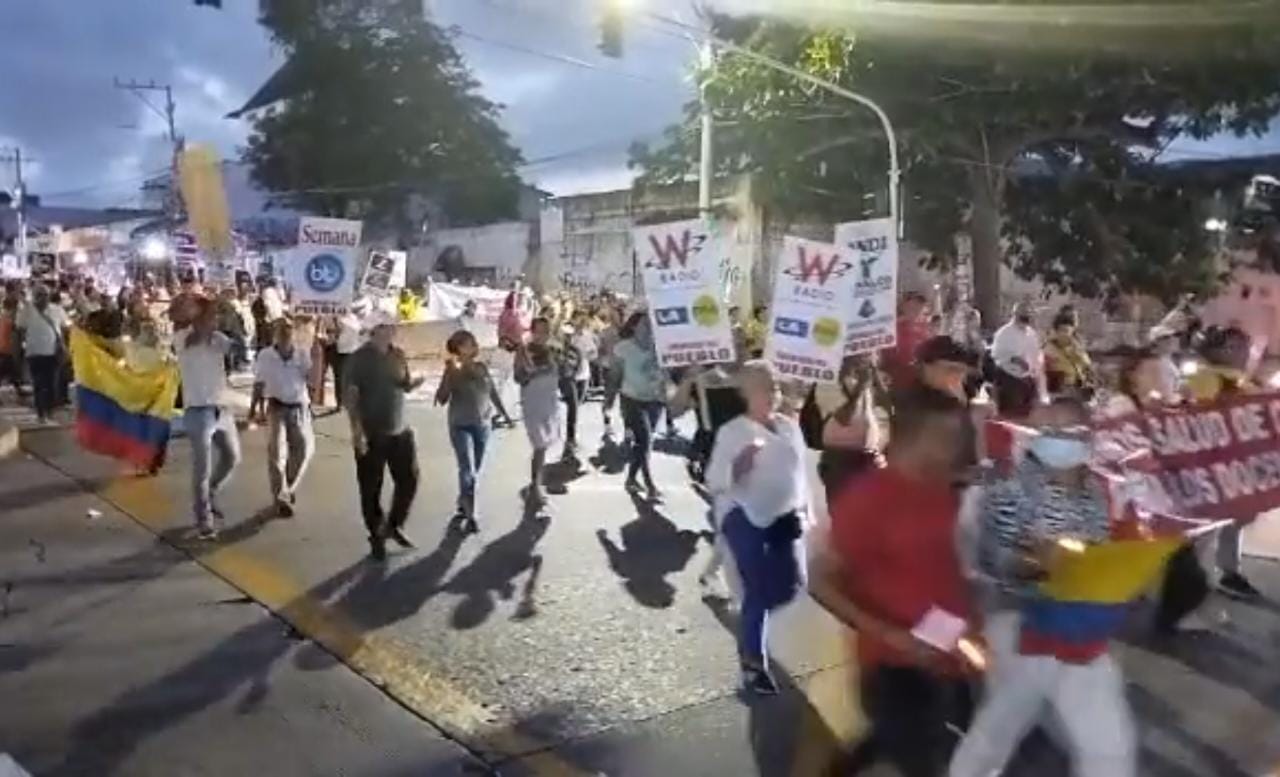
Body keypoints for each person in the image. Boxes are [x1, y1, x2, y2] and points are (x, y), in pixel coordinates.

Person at [950, 397, 1135, 777]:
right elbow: (988, 559)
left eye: (1068, 431)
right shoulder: (1007, 489)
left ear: (1088, 438)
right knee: (1004, 725)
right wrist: (1036, 563)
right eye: (1048, 431)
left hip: (1076, 624)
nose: (1058, 440)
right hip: (1020, 625)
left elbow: (1097, 550)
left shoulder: (1095, 493)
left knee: (1103, 741)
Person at [811, 387, 979, 777]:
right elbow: (819, 582)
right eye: (947, 438)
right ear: (913, 438)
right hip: (894, 668)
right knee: (924, 760)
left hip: (949, 654)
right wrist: (889, 634)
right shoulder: (868, 499)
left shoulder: (941, 486)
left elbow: (943, 560)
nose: (956, 449)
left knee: (935, 741)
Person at [705, 360, 810, 695]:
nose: (772, 394)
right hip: (742, 515)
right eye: (764, 388)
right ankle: (753, 663)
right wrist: (737, 467)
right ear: (746, 392)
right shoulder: (733, 432)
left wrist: (805, 510)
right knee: (758, 588)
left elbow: (800, 474)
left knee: (793, 586)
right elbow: (713, 479)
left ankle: (752, 618)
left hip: (783, 515)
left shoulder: (789, 427)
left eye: (775, 387)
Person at [1183, 325, 1262, 599]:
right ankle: (1187, 577)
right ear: (1215, 350)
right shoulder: (1206, 377)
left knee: (1235, 520)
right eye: (1233, 347)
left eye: (1244, 347)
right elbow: (1197, 417)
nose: (1241, 353)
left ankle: (1228, 572)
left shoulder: (1245, 381)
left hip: (1240, 463)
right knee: (1205, 525)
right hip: (1212, 463)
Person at [344, 316, 425, 560]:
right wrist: (357, 433)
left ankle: (394, 524)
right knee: (371, 487)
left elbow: (403, 384)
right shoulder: (359, 359)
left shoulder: (397, 355)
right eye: (388, 327)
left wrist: (413, 384)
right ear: (375, 330)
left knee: (409, 478)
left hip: (400, 429)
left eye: (393, 327)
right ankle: (376, 533)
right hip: (372, 431)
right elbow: (350, 397)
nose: (393, 331)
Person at [175, 297, 242, 540]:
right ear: (199, 318)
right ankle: (204, 519)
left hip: (221, 407)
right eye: (211, 316)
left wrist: (230, 324)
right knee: (201, 467)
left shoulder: (217, 339)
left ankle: (212, 492)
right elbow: (197, 336)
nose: (215, 321)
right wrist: (207, 316)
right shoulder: (183, 337)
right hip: (198, 410)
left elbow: (235, 347)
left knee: (232, 457)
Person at [435, 328, 508, 533]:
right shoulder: (453, 370)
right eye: (468, 344)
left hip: (483, 424)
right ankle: (471, 511)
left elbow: (492, 392)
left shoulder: (481, 367)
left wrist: (505, 414)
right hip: (460, 425)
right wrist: (449, 376)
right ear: (458, 349)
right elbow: (441, 399)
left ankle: (464, 499)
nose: (473, 346)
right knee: (467, 469)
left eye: (473, 342)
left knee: (475, 469)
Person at [251, 318, 315, 518]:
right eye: (282, 330)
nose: (286, 334)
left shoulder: (302, 355)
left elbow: (310, 380)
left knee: (303, 450)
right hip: (276, 406)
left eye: (289, 330)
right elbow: (259, 383)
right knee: (276, 453)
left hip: (298, 405)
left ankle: (288, 487)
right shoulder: (265, 356)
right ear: (275, 334)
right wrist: (255, 409)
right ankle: (280, 497)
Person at [613, 311, 668, 499]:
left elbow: (667, 371)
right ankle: (650, 485)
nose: (649, 327)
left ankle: (630, 479)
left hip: (654, 399)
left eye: (652, 324)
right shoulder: (623, 348)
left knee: (643, 443)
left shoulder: (659, 347)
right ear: (634, 326)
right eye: (645, 324)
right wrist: (609, 400)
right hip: (631, 399)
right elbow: (615, 376)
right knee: (645, 440)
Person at [513, 317, 561, 510]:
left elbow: (564, 371)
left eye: (546, 331)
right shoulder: (523, 351)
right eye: (539, 331)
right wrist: (534, 373)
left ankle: (536, 482)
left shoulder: (554, 350)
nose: (543, 335)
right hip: (533, 401)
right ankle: (535, 486)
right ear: (532, 332)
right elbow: (518, 377)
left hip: (550, 401)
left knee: (545, 444)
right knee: (539, 445)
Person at [16, 284, 68, 424]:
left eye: (45, 295)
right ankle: (41, 412)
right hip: (34, 353)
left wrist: (63, 345)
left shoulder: (56, 310)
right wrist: (20, 348)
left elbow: (65, 327)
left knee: (51, 383)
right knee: (38, 383)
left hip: (52, 353)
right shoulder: (26, 310)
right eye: (39, 295)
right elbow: (19, 330)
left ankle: (49, 410)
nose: (43, 298)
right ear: (34, 297)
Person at [991, 301, 1045, 404]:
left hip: (1028, 378)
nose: (1026, 318)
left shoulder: (1031, 334)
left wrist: (1035, 368)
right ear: (1015, 314)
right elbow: (996, 354)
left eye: (1028, 315)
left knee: (1031, 411)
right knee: (1014, 413)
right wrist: (1014, 359)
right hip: (1009, 378)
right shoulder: (1004, 333)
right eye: (1023, 315)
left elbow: (1037, 354)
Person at [883, 291, 931, 388]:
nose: (917, 309)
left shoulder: (923, 328)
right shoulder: (891, 327)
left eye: (920, 306)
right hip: (896, 383)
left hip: (919, 383)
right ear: (903, 306)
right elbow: (886, 356)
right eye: (913, 305)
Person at [1043, 308, 1094, 397]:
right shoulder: (1049, 348)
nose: (1064, 334)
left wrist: (1077, 353)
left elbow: (1087, 365)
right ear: (1056, 331)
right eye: (1061, 330)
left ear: (1072, 331)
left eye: (1067, 331)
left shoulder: (1076, 346)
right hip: (1058, 390)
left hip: (1076, 387)